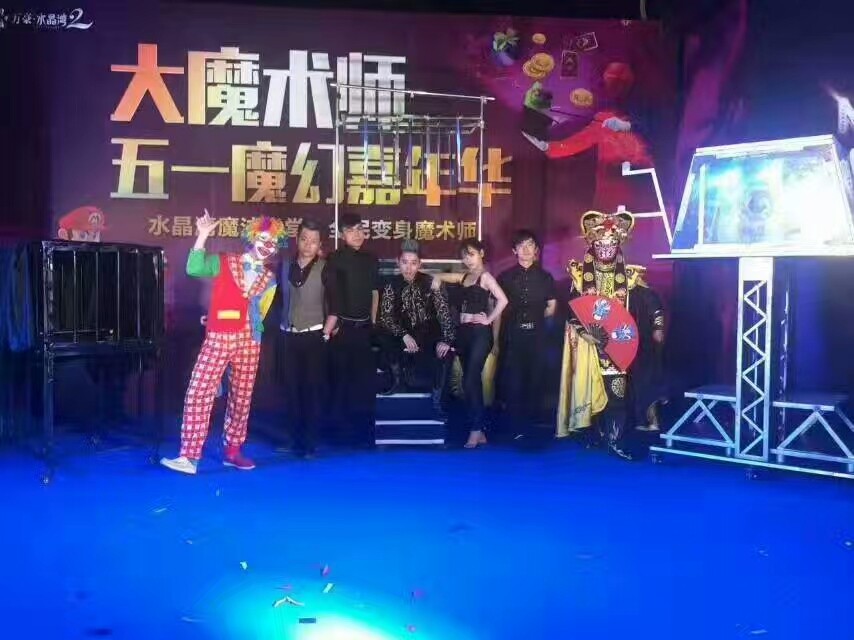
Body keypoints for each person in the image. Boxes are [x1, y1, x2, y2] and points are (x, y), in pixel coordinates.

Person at [161, 211, 286, 474]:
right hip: (220, 336)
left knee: (242, 397)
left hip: (250, 341)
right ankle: (189, 456)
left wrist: (253, 331)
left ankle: (233, 451)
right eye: (263, 239)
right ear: (252, 238)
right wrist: (203, 235)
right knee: (199, 391)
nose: (267, 246)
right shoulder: (225, 261)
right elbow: (194, 268)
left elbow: (261, 311)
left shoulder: (270, 278)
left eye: (273, 243)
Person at [556, 210, 666, 461]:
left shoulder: (631, 276)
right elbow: (572, 310)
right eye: (600, 245)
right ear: (592, 245)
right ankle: (595, 434)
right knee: (591, 392)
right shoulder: (579, 275)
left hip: (618, 345)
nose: (606, 249)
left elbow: (654, 304)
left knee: (617, 395)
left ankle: (616, 440)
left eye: (611, 244)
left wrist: (658, 326)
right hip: (588, 346)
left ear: (618, 245)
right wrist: (584, 333)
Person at [433, 240, 508, 448]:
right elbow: (443, 276)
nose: (468, 259)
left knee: (470, 379)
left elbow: (503, 300)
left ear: (481, 254)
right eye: (465, 256)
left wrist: (488, 319)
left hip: (479, 334)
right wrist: (437, 278)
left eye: (472, 254)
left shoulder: (486, 277)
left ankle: (475, 430)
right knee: (470, 381)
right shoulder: (464, 277)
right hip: (464, 333)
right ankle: (479, 429)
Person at [323, 212, 380, 447]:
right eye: (350, 230)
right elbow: (328, 295)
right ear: (341, 235)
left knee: (363, 384)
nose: (356, 234)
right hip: (342, 330)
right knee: (340, 382)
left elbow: (375, 293)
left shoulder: (371, 259)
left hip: (364, 329)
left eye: (359, 229)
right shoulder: (334, 259)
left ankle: (362, 435)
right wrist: (333, 324)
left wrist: (373, 323)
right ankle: (337, 436)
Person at [378, 239, 455, 408]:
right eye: (404, 262)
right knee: (383, 334)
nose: (408, 268)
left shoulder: (430, 282)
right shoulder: (391, 284)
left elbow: (443, 313)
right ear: (398, 262)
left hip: (427, 333)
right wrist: (403, 335)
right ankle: (396, 381)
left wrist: (447, 339)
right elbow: (386, 316)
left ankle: (438, 398)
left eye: (413, 263)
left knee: (444, 350)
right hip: (402, 333)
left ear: (420, 264)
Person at [496, 230, 557, 440]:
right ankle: (515, 427)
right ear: (514, 251)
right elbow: (496, 308)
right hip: (512, 335)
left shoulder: (545, 277)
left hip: (537, 335)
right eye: (521, 245)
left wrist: (535, 321)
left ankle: (532, 428)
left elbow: (551, 306)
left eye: (530, 244)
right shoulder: (504, 277)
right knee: (514, 380)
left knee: (535, 378)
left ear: (536, 249)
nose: (526, 249)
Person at [277, 218, 328, 459]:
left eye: (313, 241)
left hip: (315, 335)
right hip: (288, 335)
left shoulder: (325, 268)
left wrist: (327, 331)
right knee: (290, 389)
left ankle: (309, 443)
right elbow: (275, 298)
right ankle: (292, 439)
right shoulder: (285, 264)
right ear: (297, 240)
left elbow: (334, 303)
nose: (308, 245)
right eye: (304, 239)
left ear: (320, 244)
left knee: (311, 390)